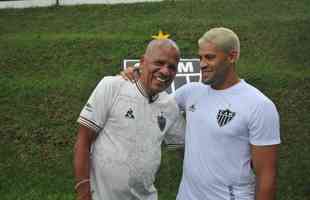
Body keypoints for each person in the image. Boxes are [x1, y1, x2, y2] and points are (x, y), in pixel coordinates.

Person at [174, 27, 281, 200]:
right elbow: (153, 104)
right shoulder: (190, 92)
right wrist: (131, 78)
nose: (201, 64)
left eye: (210, 57)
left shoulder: (259, 105)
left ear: (232, 57)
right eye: (200, 57)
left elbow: (266, 175)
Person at [74, 38, 185, 200]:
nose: (165, 71)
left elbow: (188, 150)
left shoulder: (170, 106)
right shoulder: (112, 86)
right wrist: (83, 192)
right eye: (159, 63)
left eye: (172, 67)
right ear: (142, 62)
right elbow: (83, 141)